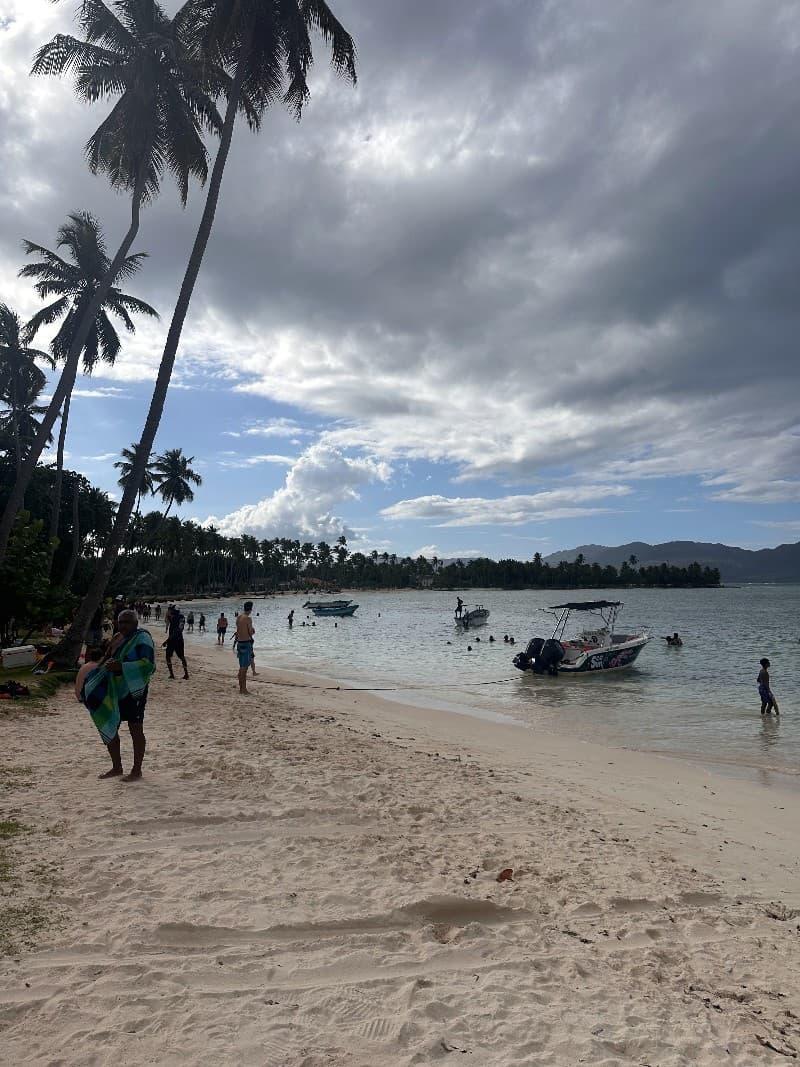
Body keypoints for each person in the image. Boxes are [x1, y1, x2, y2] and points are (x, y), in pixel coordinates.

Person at [78, 609, 155, 782]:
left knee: (136, 728)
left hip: (134, 691)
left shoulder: (143, 638)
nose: (123, 625)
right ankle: (117, 767)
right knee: (110, 725)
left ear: (136, 623)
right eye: (121, 622)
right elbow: (105, 660)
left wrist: (122, 666)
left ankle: (136, 771)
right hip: (114, 690)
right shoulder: (118, 638)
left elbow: (147, 665)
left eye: (127, 622)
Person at [163, 605, 189, 680]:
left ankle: (171, 674)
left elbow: (175, 630)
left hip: (172, 640)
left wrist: (167, 640)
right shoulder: (181, 617)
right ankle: (186, 674)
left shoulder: (174, 618)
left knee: (168, 656)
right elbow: (179, 629)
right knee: (182, 657)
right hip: (180, 639)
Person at [235, 601, 255, 694]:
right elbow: (250, 632)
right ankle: (243, 689)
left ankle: (241, 688)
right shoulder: (248, 619)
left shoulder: (239, 617)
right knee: (244, 668)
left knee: (241, 667)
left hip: (239, 643)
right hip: (246, 643)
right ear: (250, 609)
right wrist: (253, 630)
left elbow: (238, 629)